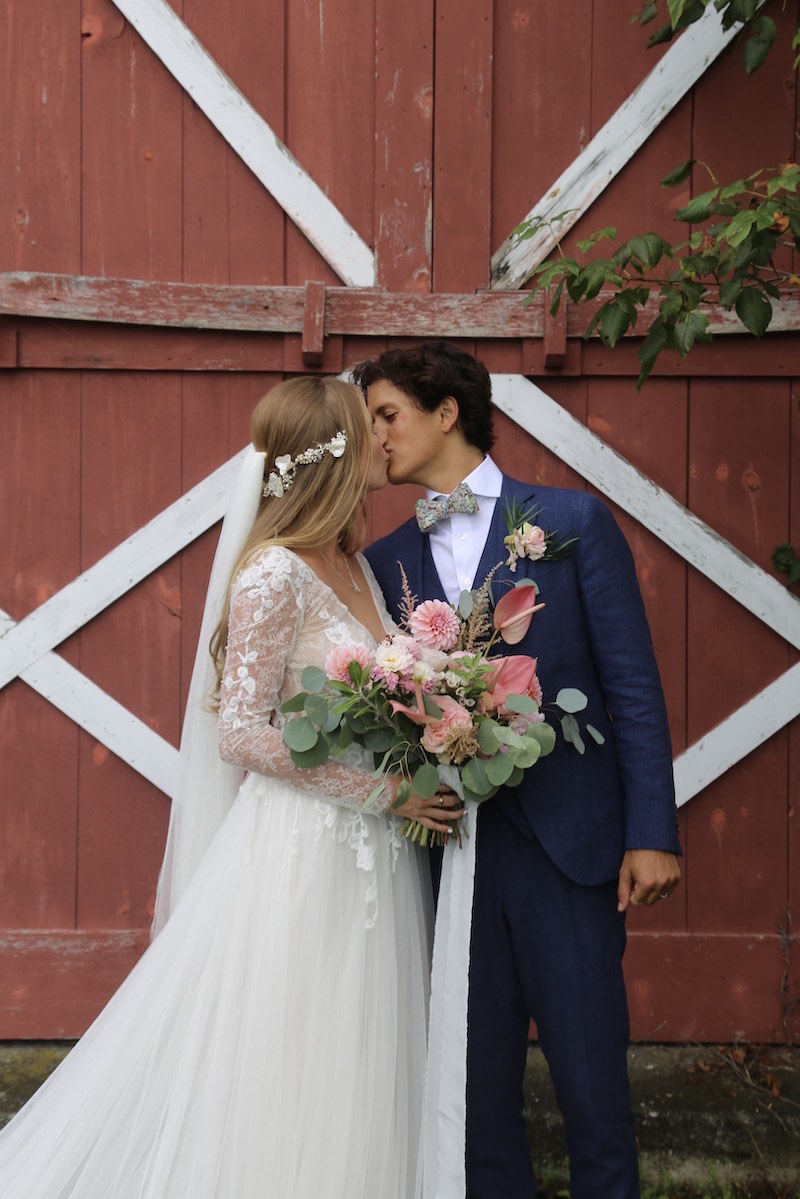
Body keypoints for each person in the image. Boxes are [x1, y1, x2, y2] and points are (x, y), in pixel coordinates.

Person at [0, 376, 460, 1199]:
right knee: (292, 1050)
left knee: (357, 1048)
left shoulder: (351, 560)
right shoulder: (271, 576)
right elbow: (242, 732)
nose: (384, 445)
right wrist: (385, 794)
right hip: (301, 852)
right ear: (338, 456)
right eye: (370, 432)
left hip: (375, 859)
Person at [353, 342, 682, 1199]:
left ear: (446, 411)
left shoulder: (570, 523)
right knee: (472, 1090)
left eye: (387, 414)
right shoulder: (385, 557)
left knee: (590, 1077)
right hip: (446, 853)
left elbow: (633, 687)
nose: (374, 434)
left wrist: (652, 832)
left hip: (568, 847)